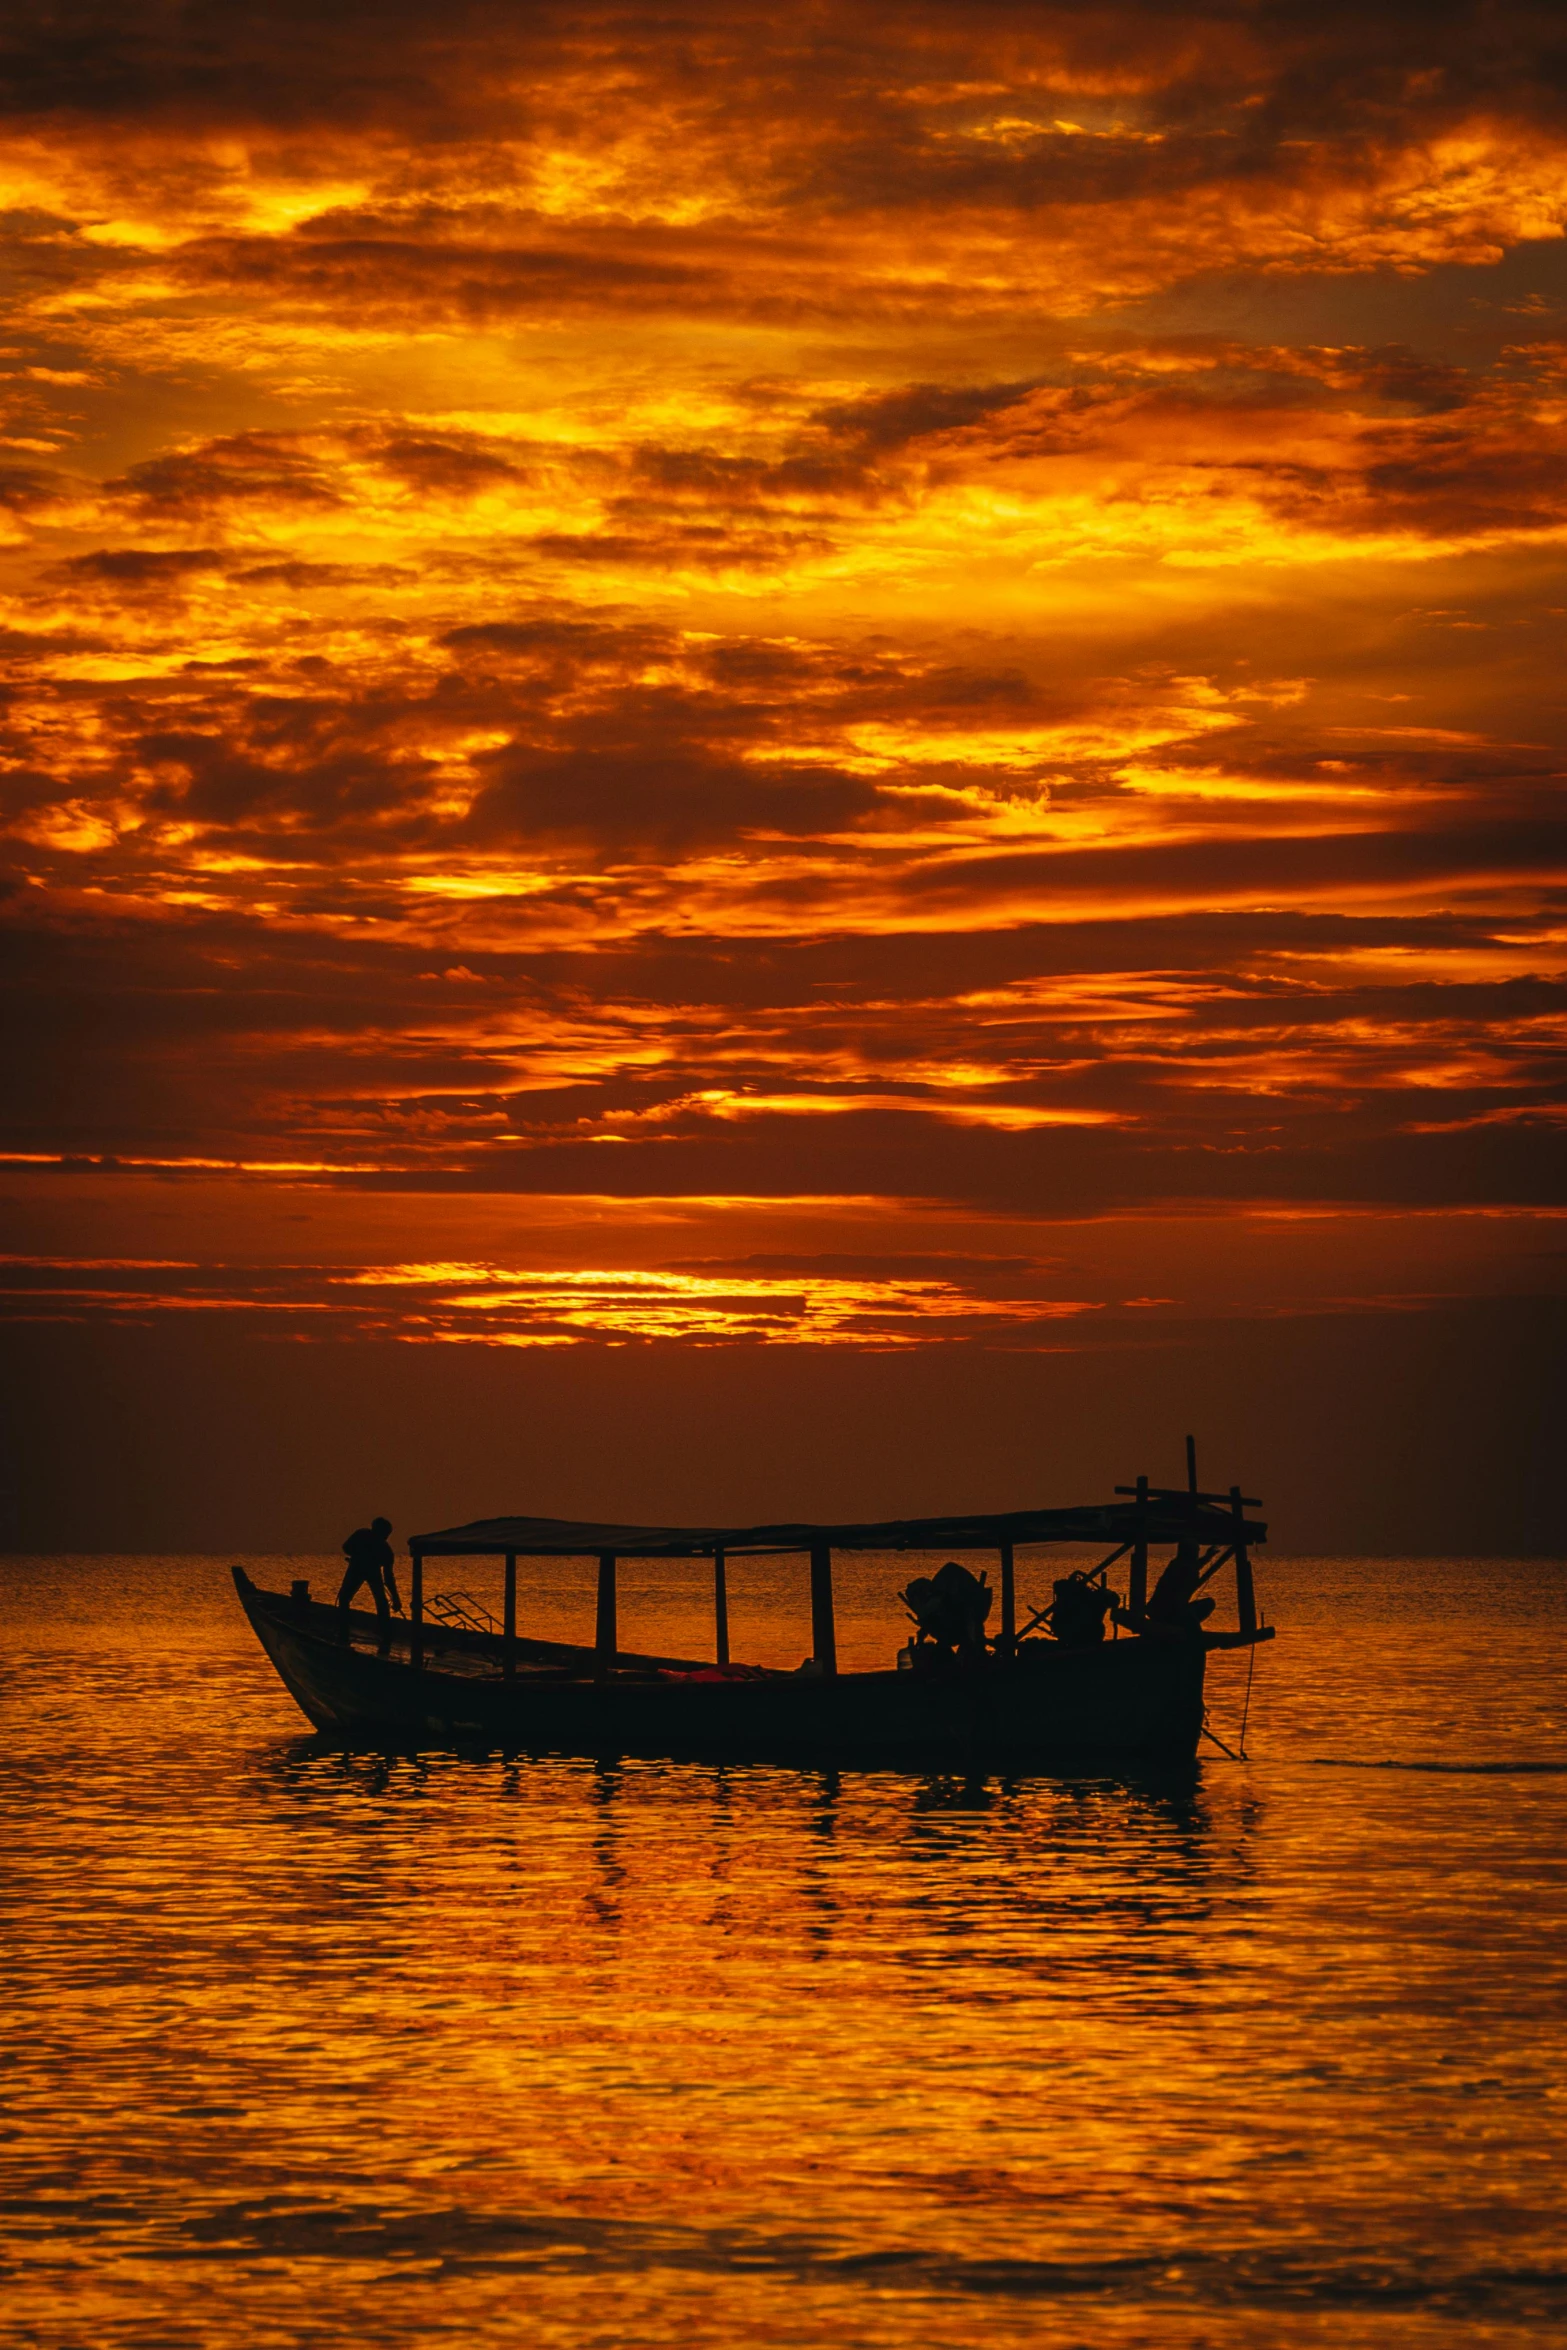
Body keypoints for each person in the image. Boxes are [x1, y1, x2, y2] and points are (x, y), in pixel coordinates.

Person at [338, 1516, 401, 1648]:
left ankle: (344, 1633)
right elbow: (346, 1547)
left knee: (347, 1598)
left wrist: (395, 1598)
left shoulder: (383, 1548)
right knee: (347, 1598)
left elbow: (388, 1578)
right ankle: (385, 1634)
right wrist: (395, 1598)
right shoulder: (380, 1546)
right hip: (359, 1569)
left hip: (364, 1570)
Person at [1146, 1539, 1216, 1638]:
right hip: (1168, 1611)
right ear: (1190, 1552)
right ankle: (1180, 1628)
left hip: (1166, 1610)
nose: (1197, 1552)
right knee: (1205, 1606)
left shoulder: (1179, 1564)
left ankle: (1180, 1626)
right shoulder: (1181, 1566)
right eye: (1196, 1550)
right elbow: (1176, 1599)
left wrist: (1208, 1556)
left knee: (1208, 1603)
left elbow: (1195, 1565)